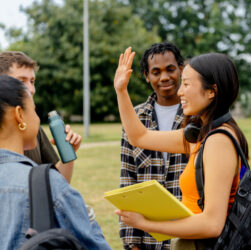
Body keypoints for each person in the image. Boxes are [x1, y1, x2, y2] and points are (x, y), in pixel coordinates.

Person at [114, 48, 249, 249]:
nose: (179, 92)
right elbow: (139, 137)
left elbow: (212, 224)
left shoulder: (219, 141)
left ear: (211, 91)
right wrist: (121, 90)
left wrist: (146, 224)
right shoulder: (201, 136)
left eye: (186, 84)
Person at [0, 75, 111, 250]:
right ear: (19, 115)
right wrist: (87, 219)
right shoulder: (46, 183)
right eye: (34, 111)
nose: (37, 119)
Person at [120, 43, 187, 250]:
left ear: (181, 70)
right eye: (156, 72)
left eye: (170, 69)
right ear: (147, 76)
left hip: (189, 237)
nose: (164, 77)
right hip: (149, 240)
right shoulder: (134, 118)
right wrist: (132, 244)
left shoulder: (197, 115)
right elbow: (127, 181)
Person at [0, 51, 82, 184]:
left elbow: (55, 187)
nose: (31, 89)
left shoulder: (33, 128)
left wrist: (68, 155)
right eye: (22, 81)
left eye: (32, 81)